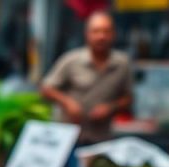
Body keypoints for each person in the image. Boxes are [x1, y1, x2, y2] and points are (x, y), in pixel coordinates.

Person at [40, 12, 133, 145]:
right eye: (96, 31)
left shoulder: (122, 64)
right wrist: (67, 102)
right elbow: (46, 89)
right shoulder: (71, 60)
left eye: (106, 31)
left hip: (100, 138)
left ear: (113, 34)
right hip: (68, 137)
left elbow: (128, 99)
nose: (101, 36)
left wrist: (111, 108)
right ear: (87, 34)